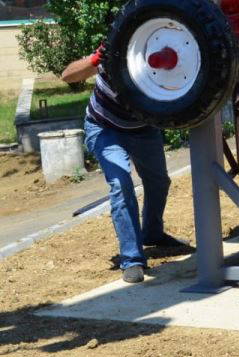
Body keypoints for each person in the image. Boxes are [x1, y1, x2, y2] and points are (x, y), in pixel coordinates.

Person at [61, 44, 189, 283]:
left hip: (142, 128)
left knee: (158, 181)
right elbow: (68, 75)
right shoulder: (114, 53)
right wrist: (94, 58)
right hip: (103, 127)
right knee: (121, 185)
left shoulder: (157, 56)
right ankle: (132, 259)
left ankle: (152, 233)